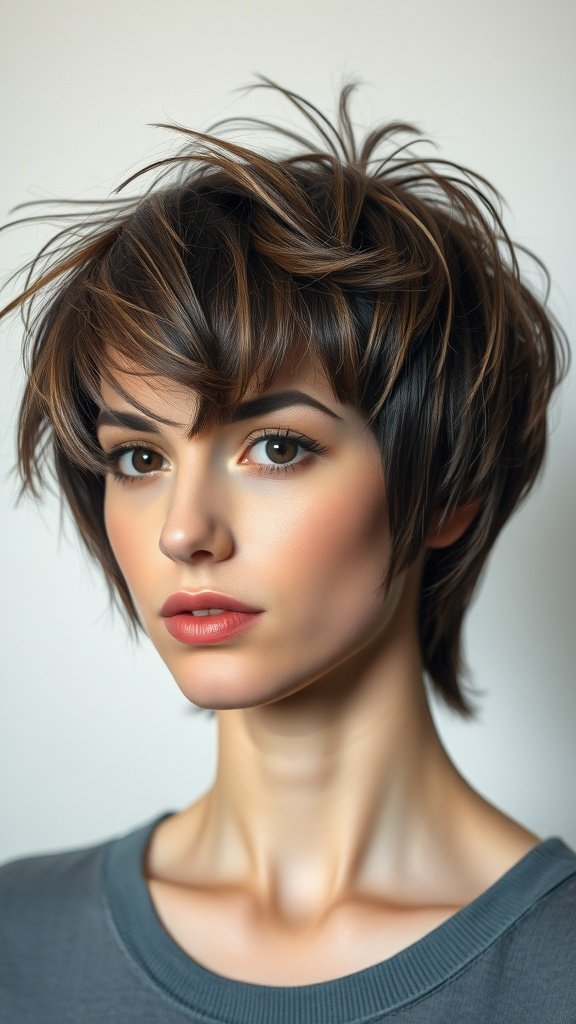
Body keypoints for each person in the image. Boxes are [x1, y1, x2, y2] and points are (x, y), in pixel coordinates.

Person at [0, 80, 574, 1022]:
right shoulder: (20, 941)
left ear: (450, 488)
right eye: (139, 457)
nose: (185, 530)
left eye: (276, 447)